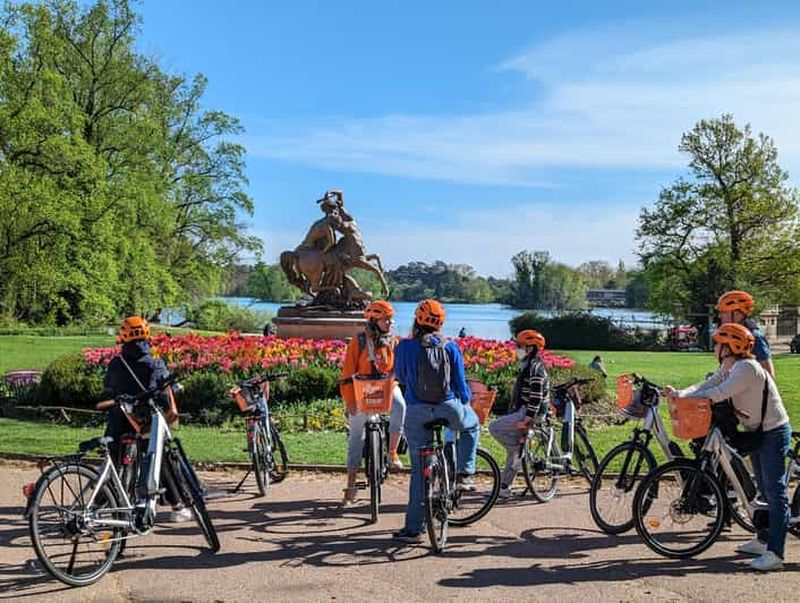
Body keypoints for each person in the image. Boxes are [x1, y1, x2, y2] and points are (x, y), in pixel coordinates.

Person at [665, 323, 791, 571]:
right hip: (756, 431)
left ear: (728, 347)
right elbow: (707, 385)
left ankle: (776, 554)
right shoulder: (730, 366)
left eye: (717, 344)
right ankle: (763, 538)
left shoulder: (746, 368)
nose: (714, 348)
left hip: (773, 432)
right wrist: (680, 393)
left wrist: (685, 397)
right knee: (757, 488)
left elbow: (718, 393)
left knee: (774, 492)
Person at [392, 299, 480, 542]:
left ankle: (413, 529)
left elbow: (399, 375)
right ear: (440, 324)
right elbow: (461, 387)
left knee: (420, 473)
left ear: (417, 320)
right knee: (472, 425)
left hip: (416, 411)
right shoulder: (450, 347)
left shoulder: (405, 346)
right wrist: (465, 402)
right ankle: (465, 472)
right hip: (447, 407)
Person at [103, 316, 191, 522]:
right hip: (144, 421)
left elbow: (108, 385)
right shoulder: (154, 363)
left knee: (113, 458)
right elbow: (162, 390)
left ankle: (104, 499)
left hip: (120, 419)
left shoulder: (117, 363)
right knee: (157, 460)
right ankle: (177, 505)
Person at [338, 301, 407, 506]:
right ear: (374, 320)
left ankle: (392, 453)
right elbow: (347, 374)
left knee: (401, 405)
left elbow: (398, 369)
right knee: (356, 437)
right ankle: (351, 486)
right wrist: (350, 401)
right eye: (386, 319)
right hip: (361, 390)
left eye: (391, 318)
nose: (390, 322)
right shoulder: (358, 342)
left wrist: (394, 377)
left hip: (386, 387)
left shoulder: (394, 342)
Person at [489, 330, 549, 498]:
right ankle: (504, 487)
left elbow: (536, 397)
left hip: (529, 412)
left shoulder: (535, 368)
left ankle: (519, 452)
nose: (516, 349)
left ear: (530, 349)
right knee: (514, 449)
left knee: (495, 428)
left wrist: (528, 419)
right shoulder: (529, 365)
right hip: (525, 411)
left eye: (519, 346)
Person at [716, 290, 775, 377]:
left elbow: (769, 376)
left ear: (736, 314)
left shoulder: (754, 337)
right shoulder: (732, 334)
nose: (719, 316)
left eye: (723, 312)